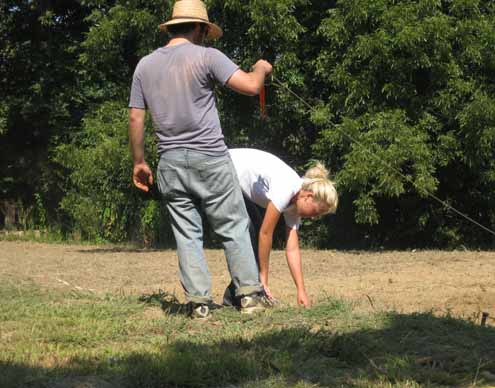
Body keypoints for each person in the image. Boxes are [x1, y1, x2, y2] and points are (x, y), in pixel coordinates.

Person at [128, 0, 273, 318]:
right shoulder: (207, 56)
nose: (207, 36)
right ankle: (249, 296)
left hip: (170, 162)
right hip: (210, 157)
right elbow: (250, 86)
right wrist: (261, 68)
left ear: (171, 27)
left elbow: (136, 118)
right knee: (234, 226)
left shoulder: (145, 66)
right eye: (206, 31)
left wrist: (139, 162)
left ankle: (199, 305)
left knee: (187, 234)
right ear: (199, 28)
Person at [223, 148, 339, 308]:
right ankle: (245, 295)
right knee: (249, 231)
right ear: (308, 197)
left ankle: (236, 298)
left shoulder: (294, 205)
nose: (313, 217)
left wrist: (301, 290)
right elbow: (266, 233)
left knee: (254, 234)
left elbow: (292, 249)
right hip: (223, 167)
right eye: (316, 211)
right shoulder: (287, 187)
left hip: (235, 181)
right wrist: (263, 279)